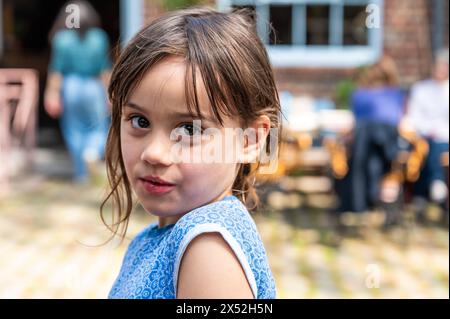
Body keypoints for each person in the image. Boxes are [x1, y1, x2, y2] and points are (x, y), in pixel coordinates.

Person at [102, 8, 279, 299]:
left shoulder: (208, 248)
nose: (155, 153)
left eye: (189, 130)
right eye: (140, 121)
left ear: (250, 139)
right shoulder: (160, 237)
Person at [44, 1, 111, 182]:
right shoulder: (99, 37)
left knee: (73, 129)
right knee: (98, 126)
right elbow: (105, 69)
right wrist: (109, 94)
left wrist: (51, 94)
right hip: (93, 86)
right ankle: (92, 150)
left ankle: (81, 175)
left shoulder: (61, 38)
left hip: (70, 86)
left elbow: (56, 71)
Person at [336, 56, 406, 214]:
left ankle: (362, 200)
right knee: (374, 159)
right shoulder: (396, 94)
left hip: (364, 147)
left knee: (367, 155)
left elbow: (356, 121)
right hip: (386, 147)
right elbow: (397, 120)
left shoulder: (360, 95)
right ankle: (375, 196)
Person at [403, 48, 449, 206]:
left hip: (445, 137)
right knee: (422, 148)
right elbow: (413, 116)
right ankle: (434, 186)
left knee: (435, 147)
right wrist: (426, 130)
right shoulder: (421, 88)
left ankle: (423, 194)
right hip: (421, 135)